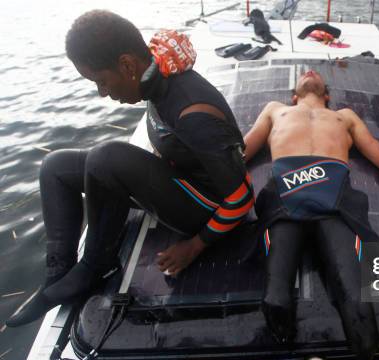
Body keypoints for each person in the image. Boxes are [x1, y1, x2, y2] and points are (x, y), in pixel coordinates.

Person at [6, 11, 253, 327]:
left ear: (127, 66)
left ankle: (97, 264)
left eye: (101, 81)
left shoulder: (194, 114)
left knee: (105, 157)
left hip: (206, 207)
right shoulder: (155, 80)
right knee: (55, 166)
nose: (103, 93)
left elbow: (242, 199)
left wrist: (195, 245)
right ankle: (58, 276)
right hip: (181, 184)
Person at [244, 70, 379, 360]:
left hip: (334, 198)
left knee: (356, 302)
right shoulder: (275, 110)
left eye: (315, 74)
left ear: (327, 95)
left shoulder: (344, 115)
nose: (310, 72)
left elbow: (375, 151)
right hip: (285, 194)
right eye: (306, 75)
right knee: (275, 298)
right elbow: (244, 149)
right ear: (293, 95)